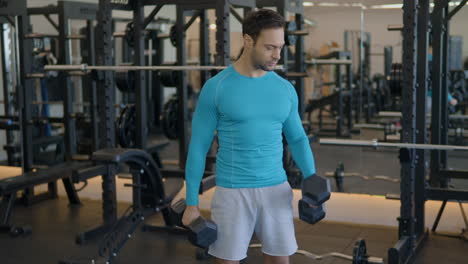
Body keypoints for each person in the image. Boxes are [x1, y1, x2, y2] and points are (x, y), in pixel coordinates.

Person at [181, 9, 316, 264]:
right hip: (233, 192)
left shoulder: (284, 89)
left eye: (280, 47)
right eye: (269, 47)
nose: (277, 55)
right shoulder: (217, 88)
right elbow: (198, 147)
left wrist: (312, 179)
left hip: (276, 188)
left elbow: (297, 139)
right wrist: (191, 203)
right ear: (247, 41)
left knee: (279, 260)